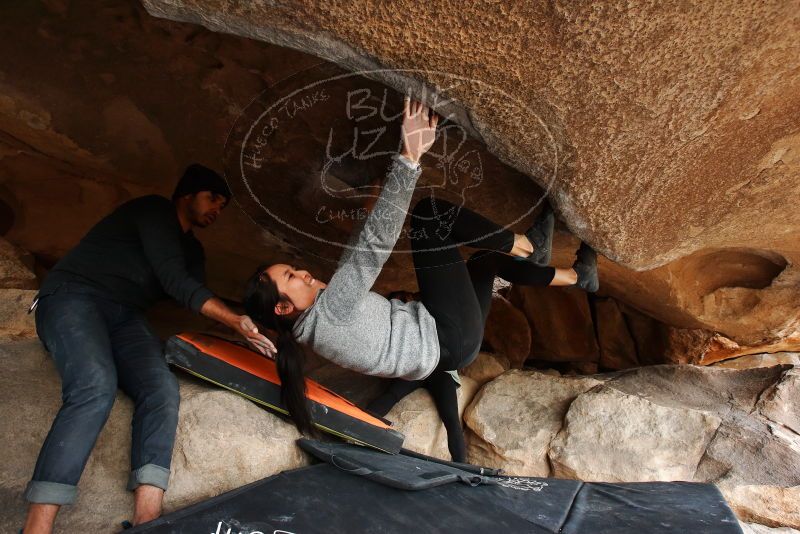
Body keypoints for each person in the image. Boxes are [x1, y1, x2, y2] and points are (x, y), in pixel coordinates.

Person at [243, 97, 599, 463]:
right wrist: (409, 157)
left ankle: (576, 276)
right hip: (445, 334)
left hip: (451, 347)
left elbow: (355, 259)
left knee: (485, 261)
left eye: (293, 268)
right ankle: (528, 246)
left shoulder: (319, 325)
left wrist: (373, 203)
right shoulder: (329, 313)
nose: (302, 273)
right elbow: (372, 249)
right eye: (291, 277)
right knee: (429, 216)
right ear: (284, 306)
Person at [22, 164, 274, 534]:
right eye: (212, 198)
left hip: (126, 317)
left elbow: (190, 293)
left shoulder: (193, 251)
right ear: (187, 195)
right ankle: (37, 528)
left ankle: (147, 521)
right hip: (75, 296)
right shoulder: (153, 211)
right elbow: (173, 279)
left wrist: (251, 328)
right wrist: (233, 319)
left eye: (222, 205)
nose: (217, 210)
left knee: (161, 388)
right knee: (95, 385)